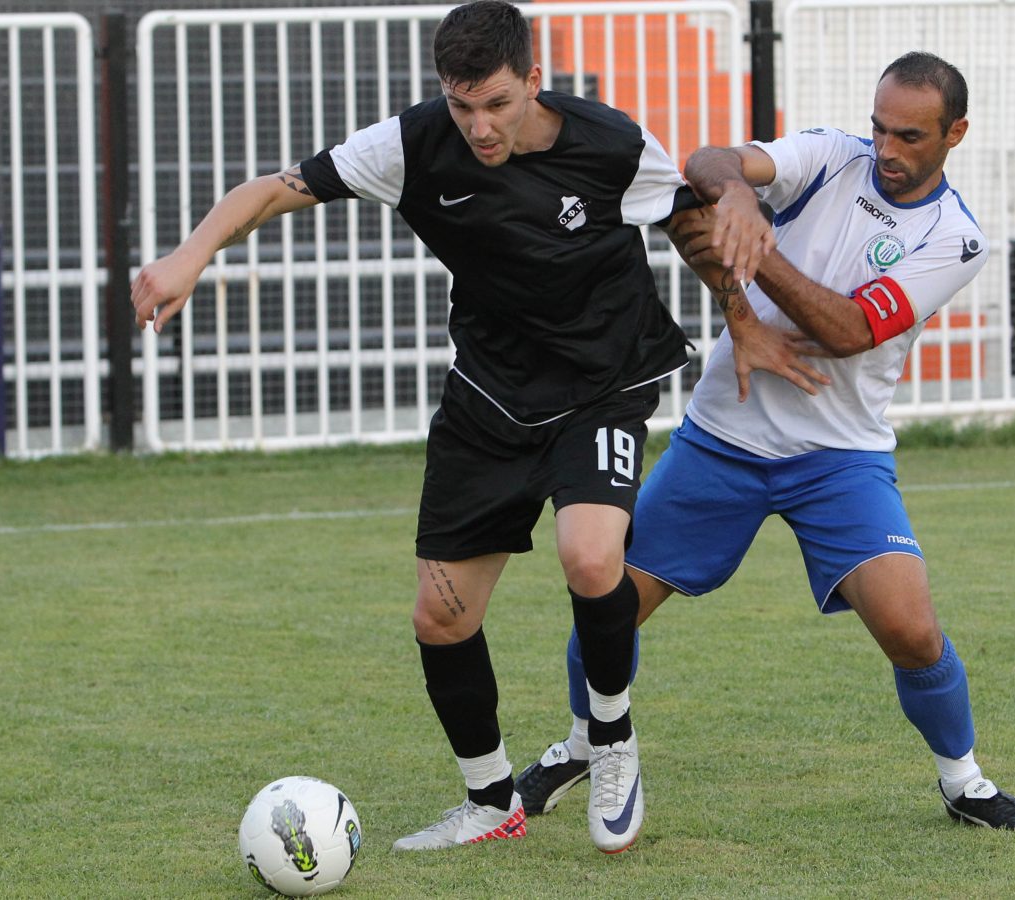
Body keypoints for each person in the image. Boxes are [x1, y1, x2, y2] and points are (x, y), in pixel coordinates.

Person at [129, 0, 807, 855]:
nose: (479, 126)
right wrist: (187, 257)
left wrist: (743, 321)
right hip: (490, 398)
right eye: (461, 105)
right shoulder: (412, 144)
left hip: (602, 385)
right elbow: (273, 189)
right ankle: (492, 802)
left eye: (496, 103)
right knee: (440, 617)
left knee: (591, 556)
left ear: (533, 80)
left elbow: (688, 222)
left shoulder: (610, 144)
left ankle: (610, 738)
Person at [514, 51, 1015, 832]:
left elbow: (851, 328)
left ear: (954, 134)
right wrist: (735, 193)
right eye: (879, 128)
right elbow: (707, 162)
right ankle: (583, 745)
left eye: (909, 136)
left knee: (911, 629)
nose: (886, 149)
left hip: (840, 458)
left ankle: (964, 783)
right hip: (722, 438)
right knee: (609, 602)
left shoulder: (956, 238)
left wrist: (753, 246)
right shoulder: (831, 155)